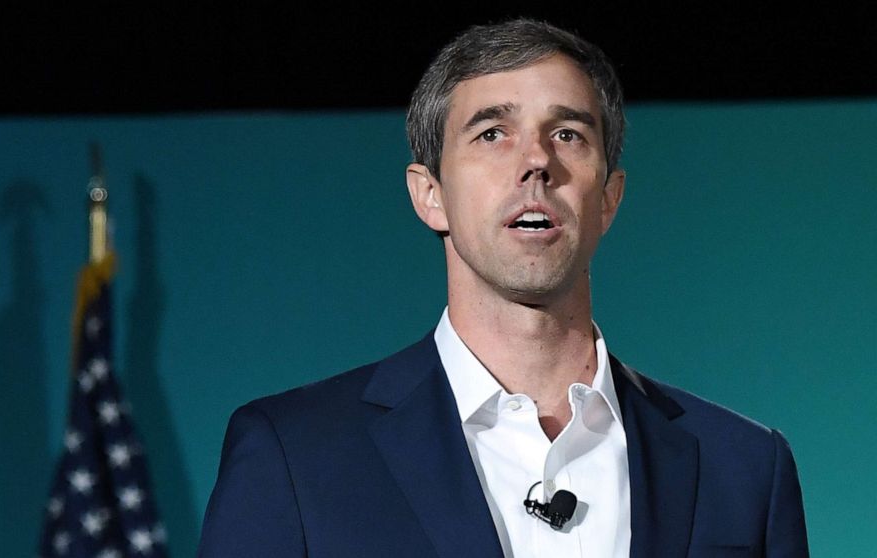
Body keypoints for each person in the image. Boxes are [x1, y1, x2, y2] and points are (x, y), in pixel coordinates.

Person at [197, 19, 809, 558]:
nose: (537, 161)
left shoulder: (746, 468)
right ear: (429, 194)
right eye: (493, 133)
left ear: (609, 198)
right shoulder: (295, 456)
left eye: (568, 134)